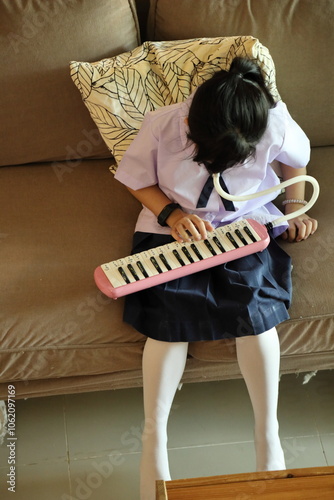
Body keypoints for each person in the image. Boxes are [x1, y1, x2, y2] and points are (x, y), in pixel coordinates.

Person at [114, 57, 318, 500]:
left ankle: (268, 437)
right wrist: (172, 214)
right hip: (174, 227)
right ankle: (155, 442)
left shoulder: (272, 121)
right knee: (168, 317)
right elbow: (134, 179)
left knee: (256, 310)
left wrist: (292, 209)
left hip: (245, 225)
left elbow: (295, 164)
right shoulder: (164, 123)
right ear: (189, 121)